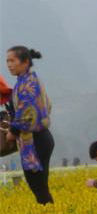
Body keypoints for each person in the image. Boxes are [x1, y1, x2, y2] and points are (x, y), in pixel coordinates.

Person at [4, 47, 55, 205]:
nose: (9, 65)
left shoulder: (27, 84)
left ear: (25, 62)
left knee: (38, 186)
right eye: (7, 61)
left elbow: (27, 114)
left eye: (12, 60)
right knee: (39, 186)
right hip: (39, 138)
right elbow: (48, 106)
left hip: (36, 140)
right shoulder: (27, 80)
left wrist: (12, 131)